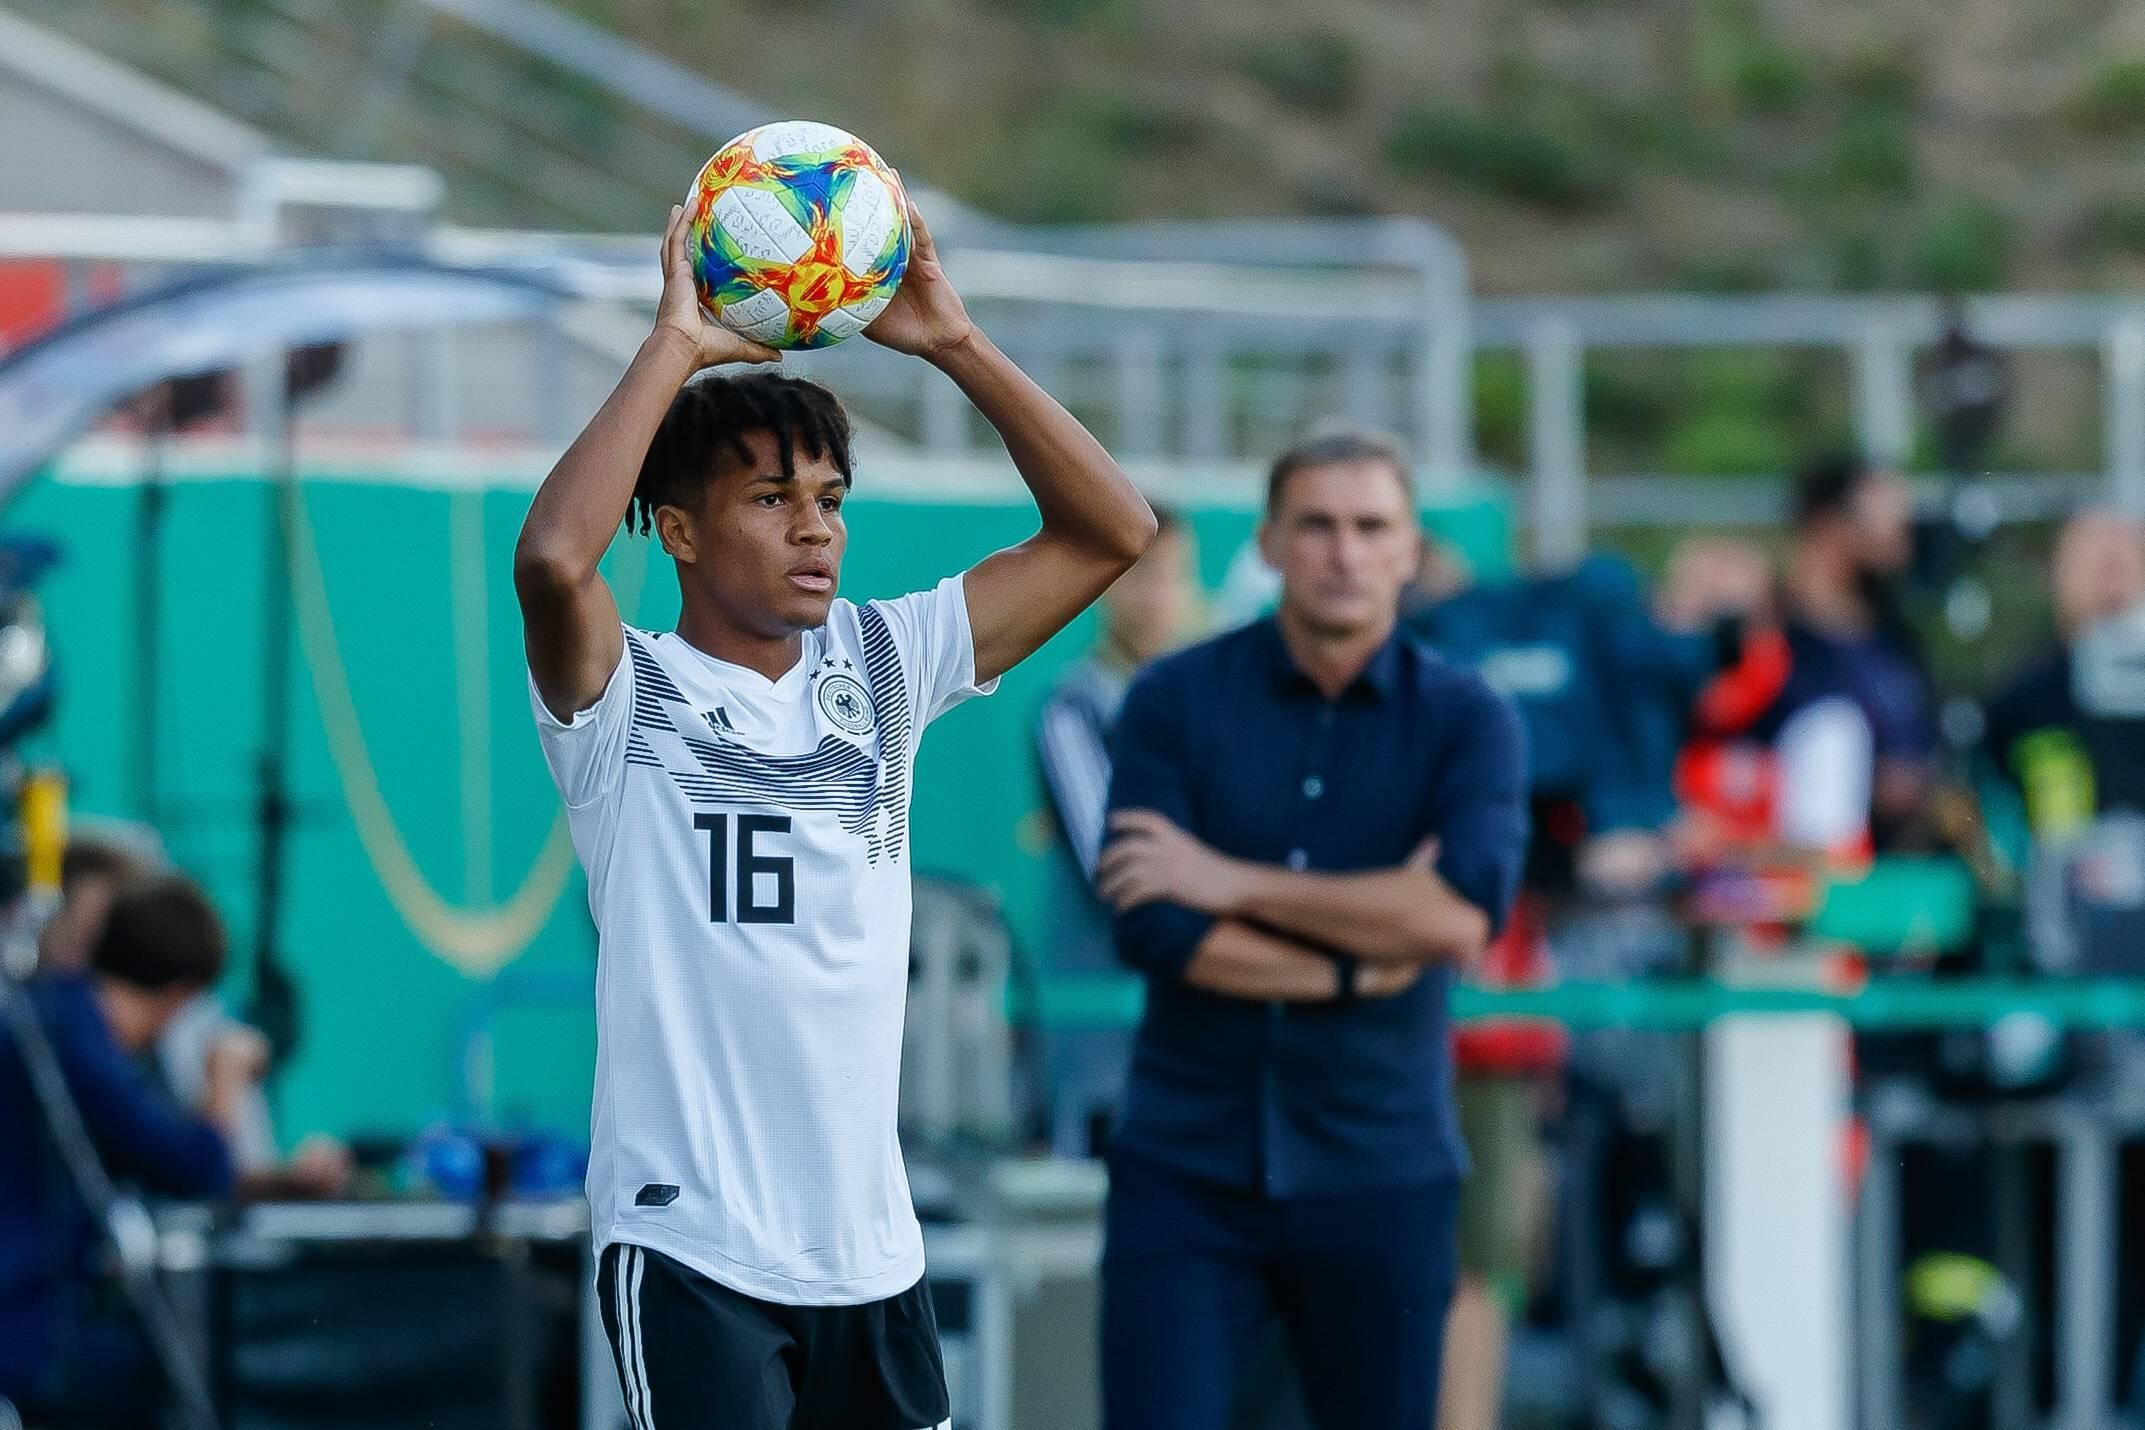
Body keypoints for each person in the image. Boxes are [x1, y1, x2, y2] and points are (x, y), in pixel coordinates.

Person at [514, 199, 1152, 1429]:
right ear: (683, 528)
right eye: (769, 498)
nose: (815, 526)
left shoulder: (887, 660)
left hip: (870, 1253)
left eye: (832, 496)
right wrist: (676, 346)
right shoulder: (624, 694)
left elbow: (1112, 529)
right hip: (690, 1243)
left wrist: (955, 345)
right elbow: (553, 559)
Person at [1095, 430, 1528, 1430]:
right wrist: (1356, 961)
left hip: (1383, 1166)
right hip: (1187, 1167)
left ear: (1410, 550)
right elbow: (1157, 923)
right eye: (1318, 525)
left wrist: (1225, 878)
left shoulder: (1469, 719)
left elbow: (1458, 911)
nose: (1344, 551)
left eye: (1371, 526)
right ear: (1272, 544)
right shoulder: (1173, 698)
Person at [1, 877, 250, 1427]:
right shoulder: (72, 1036)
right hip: (25, 1333)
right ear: (179, 994)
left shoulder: (53, 1016)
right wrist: (225, 1082)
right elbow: (196, 1169)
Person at [1034, 508, 1200, 1156]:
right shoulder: (1072, 705)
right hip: (1105, 1028)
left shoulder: (1212, 699)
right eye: (1140, 577)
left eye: (1174, 577)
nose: (1158, 597)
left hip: (1197, 1028)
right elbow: (1114, 864)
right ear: (1106, 589)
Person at [1776, 455, 1938, 851]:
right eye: (1883, 515)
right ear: (1830, 524)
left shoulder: (1896, 634)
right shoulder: (1771, 633)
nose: (1902, 529)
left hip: (1897, 855)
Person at [1981, 510, 2145, 833]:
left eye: (2120, 567)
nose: (2109, 586)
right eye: (2095, 567)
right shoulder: (2023, 700)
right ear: (2055, 574)